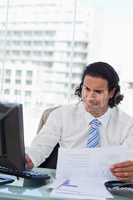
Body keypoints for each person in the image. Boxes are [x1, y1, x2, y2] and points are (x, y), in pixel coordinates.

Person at [27, 61, 133, 181]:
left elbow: (130, 160)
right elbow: (40, 147)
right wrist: (28, 159)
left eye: (98, 92)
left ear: (112, 93)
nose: (90, 97)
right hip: (67, 185)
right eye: (86, 89)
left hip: (108, 188)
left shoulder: (128, 125)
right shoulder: (61, 115)